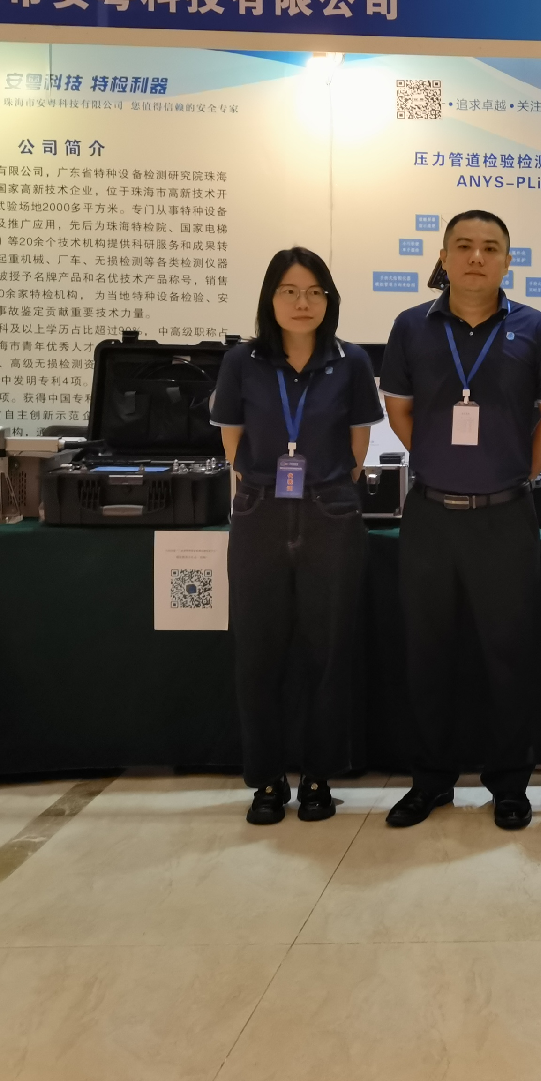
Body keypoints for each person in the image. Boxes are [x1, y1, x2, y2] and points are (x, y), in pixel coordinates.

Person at [378, 210, 541, 831]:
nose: (477, 257)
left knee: (507, 655)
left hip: (505, 517)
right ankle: (430, 781)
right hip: (430, 517)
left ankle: (509, 783)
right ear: (444, 256)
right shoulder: (411, 327)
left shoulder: (534, 330)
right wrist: (441, 464)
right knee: (427, 653)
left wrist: (513, 474)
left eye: (491, 248)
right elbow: (400, 411)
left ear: (508, 261)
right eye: (463, 246)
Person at [211, 249, 383, 825]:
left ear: (329, 300)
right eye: (289, 291)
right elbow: (232, 441)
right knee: (257, 652)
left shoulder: (351, 361)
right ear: (270, 298)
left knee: (328, 651)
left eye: (314, 292)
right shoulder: (242, 361)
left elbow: (358, 446)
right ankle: (266, 779)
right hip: (260, 511)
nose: (302, 303)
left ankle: (318, 776)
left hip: (330, 513)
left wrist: (326, 488)